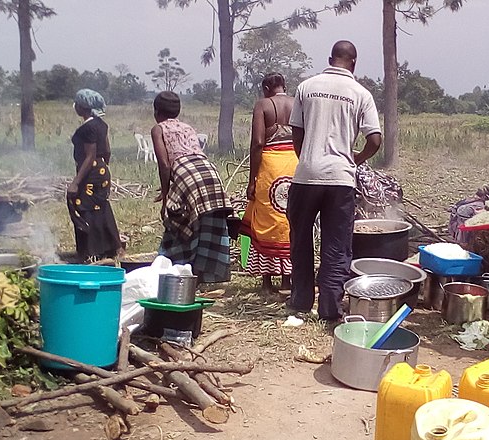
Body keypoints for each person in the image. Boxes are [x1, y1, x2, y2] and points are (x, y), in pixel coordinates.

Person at [287, 40, 382, 322]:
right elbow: (375, 140)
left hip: (306, 177)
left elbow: (297, 131)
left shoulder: (307, 87)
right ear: (354, 62)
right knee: (336, 246)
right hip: (341, 179)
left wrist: (307, 158)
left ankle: (300, 301)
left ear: (330, 59)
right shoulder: (361, 93)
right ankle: (330, 309)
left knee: (301, 240)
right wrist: (356, 160)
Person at [151, 91, 234, 283]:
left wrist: (165, 196)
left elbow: (164, 164)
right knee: (210, 221)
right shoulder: (187, 127)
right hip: (208, 172)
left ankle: (176, 270)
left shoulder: (158, 129)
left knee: (179, 222)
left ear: (156, 112)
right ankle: (208, 275)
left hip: (185, 173)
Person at [241, 73, 298, 294]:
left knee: (266, 216)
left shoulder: (263, 105)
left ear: (266, 87)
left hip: (271, 166)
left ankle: (267, 280)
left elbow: (257, 142)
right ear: (284, 86)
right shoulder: (297, 102)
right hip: (294, 163)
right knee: (289, 219)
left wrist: (252, 180)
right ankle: (287, 279)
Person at [68, 89, 122, 262]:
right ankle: (110, 247)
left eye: (76, 103)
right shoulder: (101, 124)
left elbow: (89, 156)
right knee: (100, 207)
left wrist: (76, 182)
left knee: (81, 206)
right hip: (101, 171)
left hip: (90, 172)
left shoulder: (87, 128)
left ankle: (89, 251)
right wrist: (103, 168)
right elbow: (106, 151)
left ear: (83, 107)